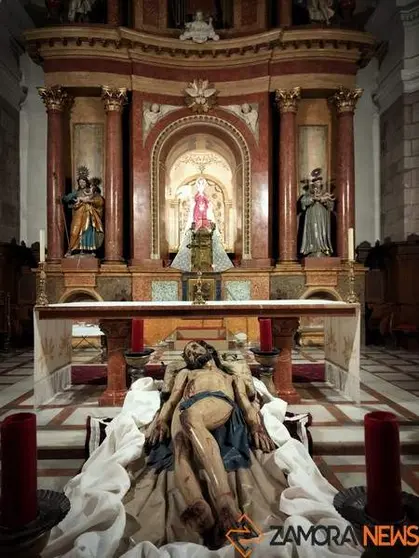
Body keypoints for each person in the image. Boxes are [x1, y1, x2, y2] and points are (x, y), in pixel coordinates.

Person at [145, 340, 275, 541]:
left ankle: (225, 502)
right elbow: (172, 400)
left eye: (196, 347)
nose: (193, 353)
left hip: (216, 401)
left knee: (191, 417)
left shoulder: (229, 377)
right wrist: (162, 420)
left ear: (209, 350)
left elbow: (246, 403)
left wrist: (256, 424)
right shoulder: (186, 373)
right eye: (188, 353)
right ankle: (198, 503)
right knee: (179, 446)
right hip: (185, 405)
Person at [170, 177, 233, 272]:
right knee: (191, 243)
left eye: (202, 184)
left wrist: (209, 219)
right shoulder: (195, 198)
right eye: (199, 184)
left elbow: (209, 210)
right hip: (196, 223)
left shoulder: (206, 198)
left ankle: (209, 265)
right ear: (197, 186)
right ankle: (193, 265)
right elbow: (192, 211)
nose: (201, 186)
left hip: (206, 223)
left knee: (211, 243)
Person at [63, 168, 104, 256]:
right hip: (78, 214)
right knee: (75, 232)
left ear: (87, 183)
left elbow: (99, 200)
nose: (81, 184)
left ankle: (90, 249)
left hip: (89, 214)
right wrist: (64, 198)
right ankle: (72, 248)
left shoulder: (91, 191)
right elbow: (67, 199)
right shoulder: (77, 192)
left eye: (83, 182)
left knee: (88, 231)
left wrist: (89, 201)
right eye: (80, 182)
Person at [299, 168, 335, 257]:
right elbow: (303, 202)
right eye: (317, 182)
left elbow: (331, 205)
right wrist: (313, 199)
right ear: (314, 183)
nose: (318, 184)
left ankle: (323, 248)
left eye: (320, 182)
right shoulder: (308, 193)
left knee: (322, 231)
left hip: (323, 216)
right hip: (312, 215)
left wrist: (324, 201)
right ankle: (312, 249)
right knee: (313, 230)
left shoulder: (325, 193)